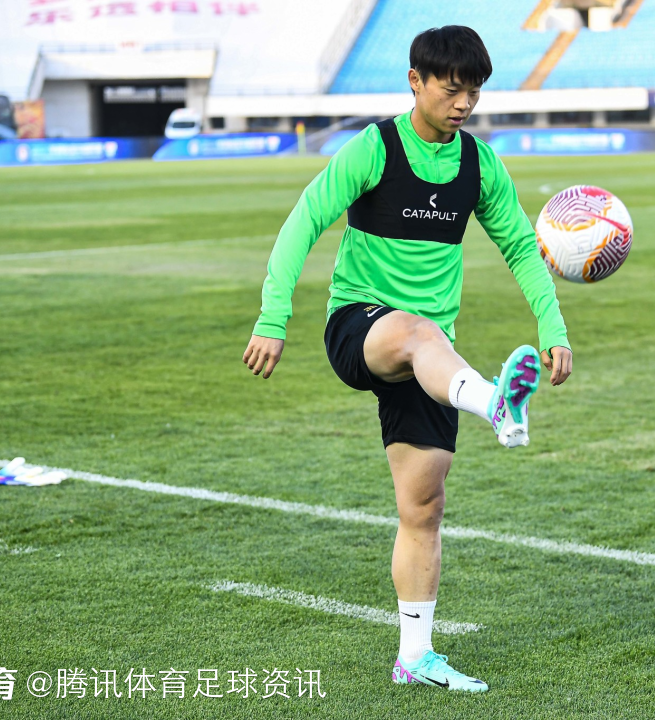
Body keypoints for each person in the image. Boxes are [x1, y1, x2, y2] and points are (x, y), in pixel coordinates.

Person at [241, 26, 572, 692]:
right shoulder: (375, 148)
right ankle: (496, 402)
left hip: (434, 361)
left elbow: (520, 247)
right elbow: (303, 223)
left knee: (423, 507)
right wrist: (273, 318)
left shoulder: (479, 165)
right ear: (416, 81)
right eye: (452, 89)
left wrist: (553, 326)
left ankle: (414, 657)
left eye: (474, 92)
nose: (464, 104)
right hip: (360, 327)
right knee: (420, 332)